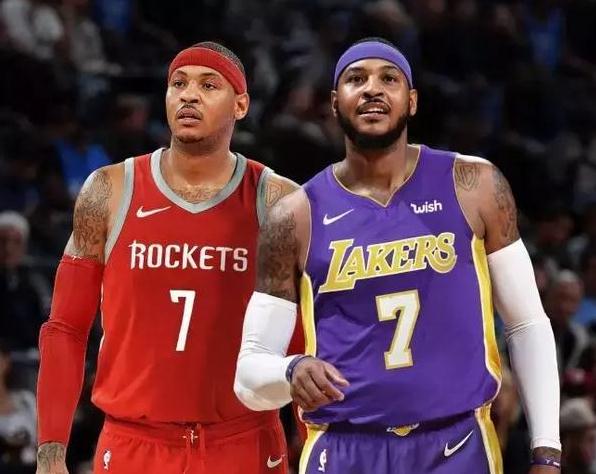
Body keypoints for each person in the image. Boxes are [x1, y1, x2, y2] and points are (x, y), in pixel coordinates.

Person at [234, 38, 561, 473]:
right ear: (334, 103)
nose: (372, 89)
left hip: (456, 445)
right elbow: (248, 374)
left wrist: (546, 449)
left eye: (389, 79)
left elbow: (527, 323)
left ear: (412, 101)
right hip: (345, 447)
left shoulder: (474, 184)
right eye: (356, 79)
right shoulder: (295, 216)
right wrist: (290, 370)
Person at [36, 41, 298, 474]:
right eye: (179, 84)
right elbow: (66, 327)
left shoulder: (277, 201)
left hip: (244, 441)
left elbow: (302, 339)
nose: (189, 95)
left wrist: (315, 443)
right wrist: (50, 451)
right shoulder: (109, 190)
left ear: (240, 105)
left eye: (208, 85)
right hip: (133, 442)